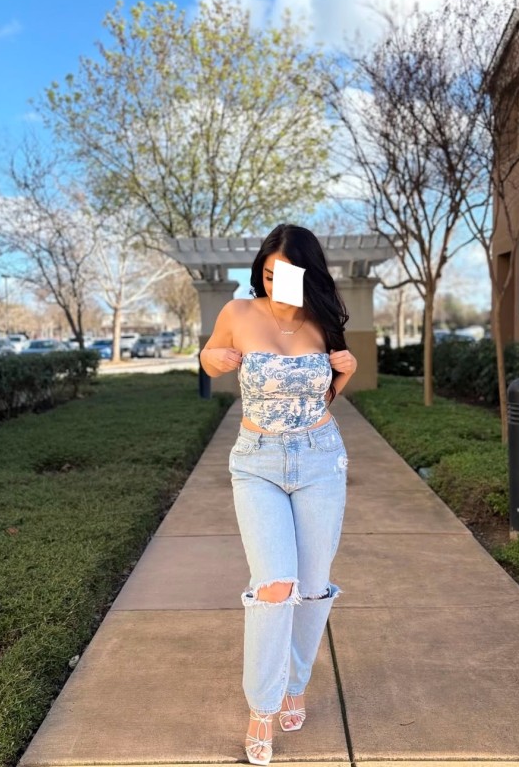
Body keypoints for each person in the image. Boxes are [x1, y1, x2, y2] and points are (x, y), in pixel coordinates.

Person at [199, 224, 357, 765]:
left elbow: (325, 395)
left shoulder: (322, 318)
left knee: (310, 588)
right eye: (268, 274)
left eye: (285, 275)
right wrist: (215, 358)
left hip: (319, 458)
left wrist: (347, 371)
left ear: (309, 276)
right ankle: (262, 707)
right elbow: (209, 356)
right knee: (274, 586)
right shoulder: (239, 312)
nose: (274, 284)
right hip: (258, 462)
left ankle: (295, 684)